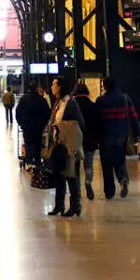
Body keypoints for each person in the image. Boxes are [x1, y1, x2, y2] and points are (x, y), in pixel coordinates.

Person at [95, 77, 140, 199]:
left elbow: (96, 121)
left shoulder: (100, 101)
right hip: (121, 135)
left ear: (105, 86)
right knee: (120, 160)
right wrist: (137, 133)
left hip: (105, 136)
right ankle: (123, 179)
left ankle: (109, 192)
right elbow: (133, 116)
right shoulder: (125, 98)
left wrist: (95, 137)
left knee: (107, 164)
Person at [48, 77, 85, 217]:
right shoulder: (58, 103)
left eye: (54, 84)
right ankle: (59, 205)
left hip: (69, 145)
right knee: (59, 175)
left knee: (72, 176)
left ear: (60, 87)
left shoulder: (71, 103)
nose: (52, 87)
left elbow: (80, 124)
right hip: (58, 145)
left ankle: (75, 205)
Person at [72, 83, 99, 201]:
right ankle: (88, 181)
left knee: (75, 166)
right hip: (90, 139)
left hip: (76, 139)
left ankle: (77, 190)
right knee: (88, 164)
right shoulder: (93, 106)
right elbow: (97, 124)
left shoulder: (72, 106)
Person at [15, 82, 51, 169]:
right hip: (38, 127)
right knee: (38, 144)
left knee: (28, 143)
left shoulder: (23, 99)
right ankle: (37, 162)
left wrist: (21, 123)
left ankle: (29, 162)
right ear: (37, 89)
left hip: (27, 127)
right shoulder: (42, 99)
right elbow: (47, 113)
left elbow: (17, 112)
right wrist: (43, 124)